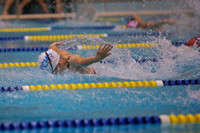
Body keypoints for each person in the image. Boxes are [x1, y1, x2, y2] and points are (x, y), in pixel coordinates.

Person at [38, 42, 113, 74]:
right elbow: (52, 47)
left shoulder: (74, 61)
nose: (55, 73)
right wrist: (53, 45)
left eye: (55, 70)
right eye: (53, 71)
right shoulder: (55, 53)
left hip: (95, 74)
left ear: (58, 63)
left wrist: (98, 57)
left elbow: (85, 61)